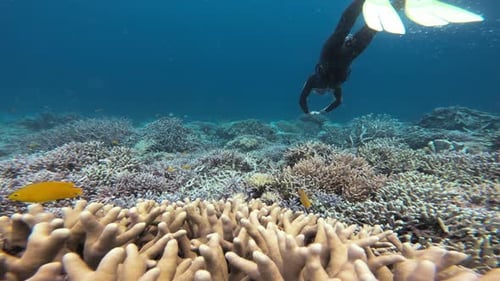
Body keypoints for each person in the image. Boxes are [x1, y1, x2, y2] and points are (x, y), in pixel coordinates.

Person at [299, 0, 483, 115]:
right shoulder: (329, 85)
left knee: (365, 29)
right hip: (342, 52)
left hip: (342, 53)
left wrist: (313, 113)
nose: (321, 91)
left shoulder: (325, 84)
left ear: (320, 90)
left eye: (320, 92)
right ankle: (399, 3)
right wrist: (317, 111)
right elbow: (308, 100)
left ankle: (395, 4)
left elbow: (318, 100)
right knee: (360, 27)